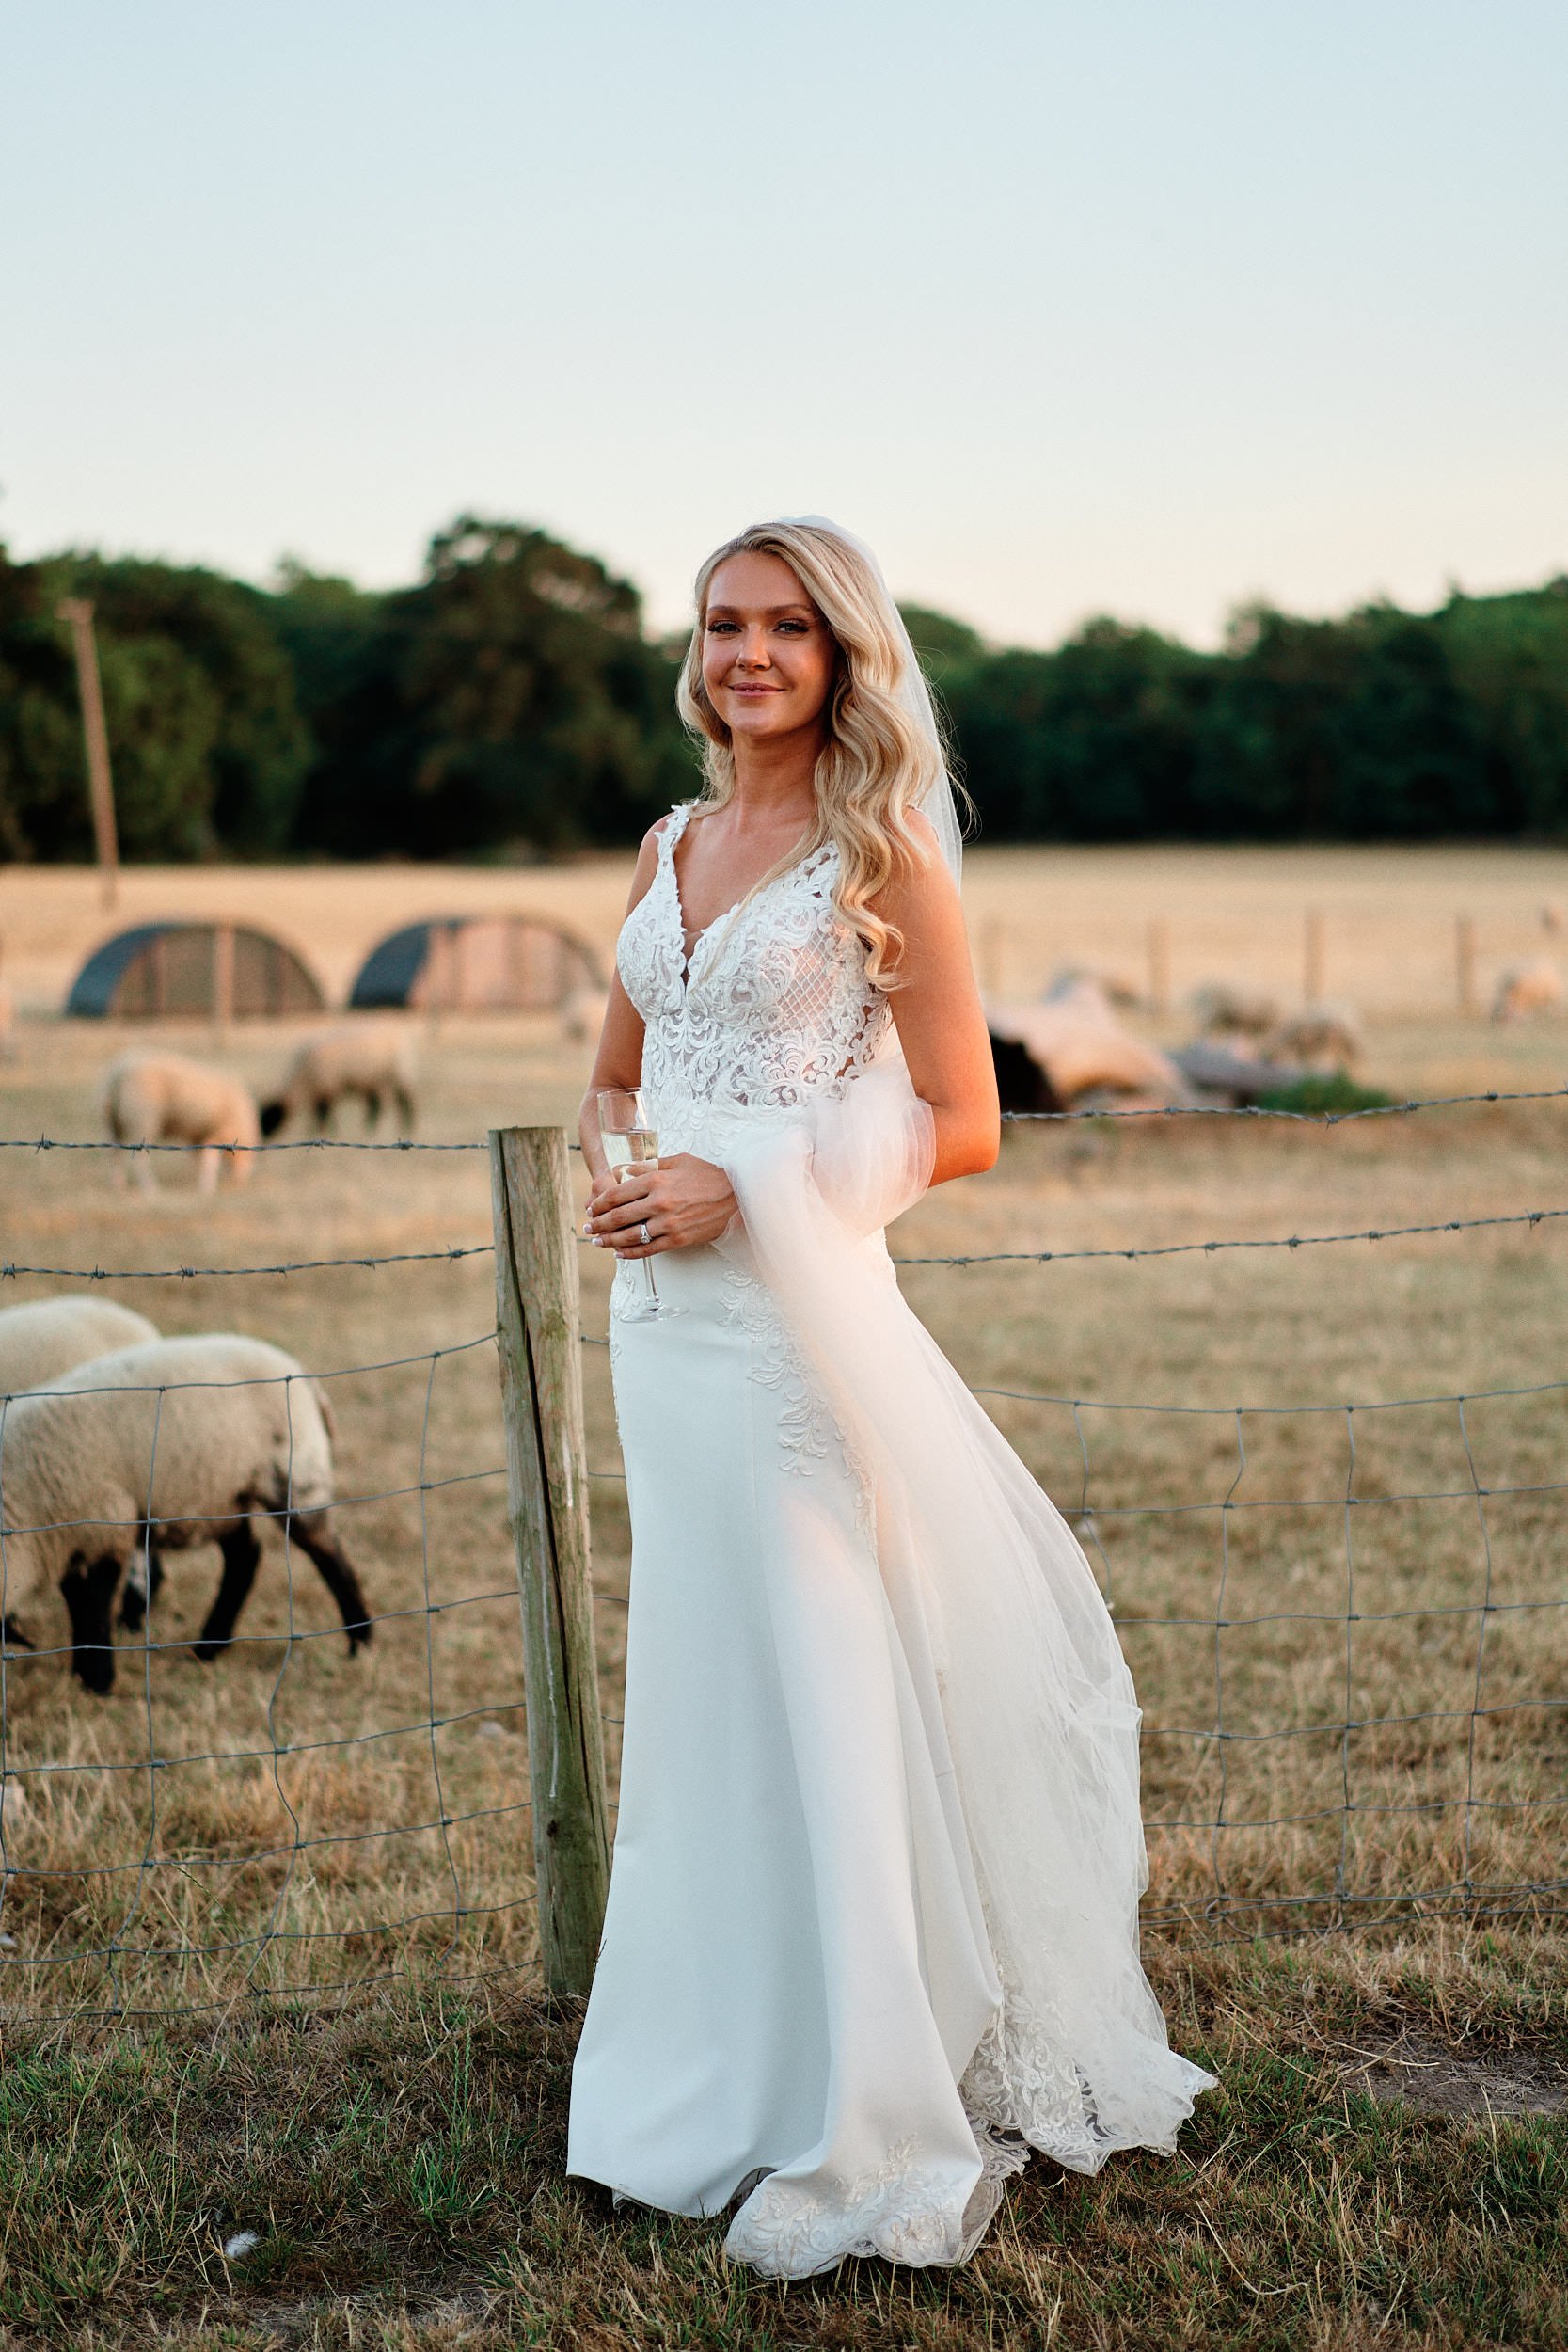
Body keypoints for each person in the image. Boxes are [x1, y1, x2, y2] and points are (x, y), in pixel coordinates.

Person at [566, 517, 1212, 2279]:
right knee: (702, 1679)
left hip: (793, 1339)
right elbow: (616, 1073)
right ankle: (701, 2082)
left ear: (846, 655)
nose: (750, 652)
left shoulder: (888, 850)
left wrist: (741, 1183)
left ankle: (865, 2101)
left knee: (826, 1674)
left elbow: (967, 1121)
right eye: (723, 625)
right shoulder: (668, 842)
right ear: (693, 653)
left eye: (788, 626)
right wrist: (621, 1174)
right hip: (661, 1336)